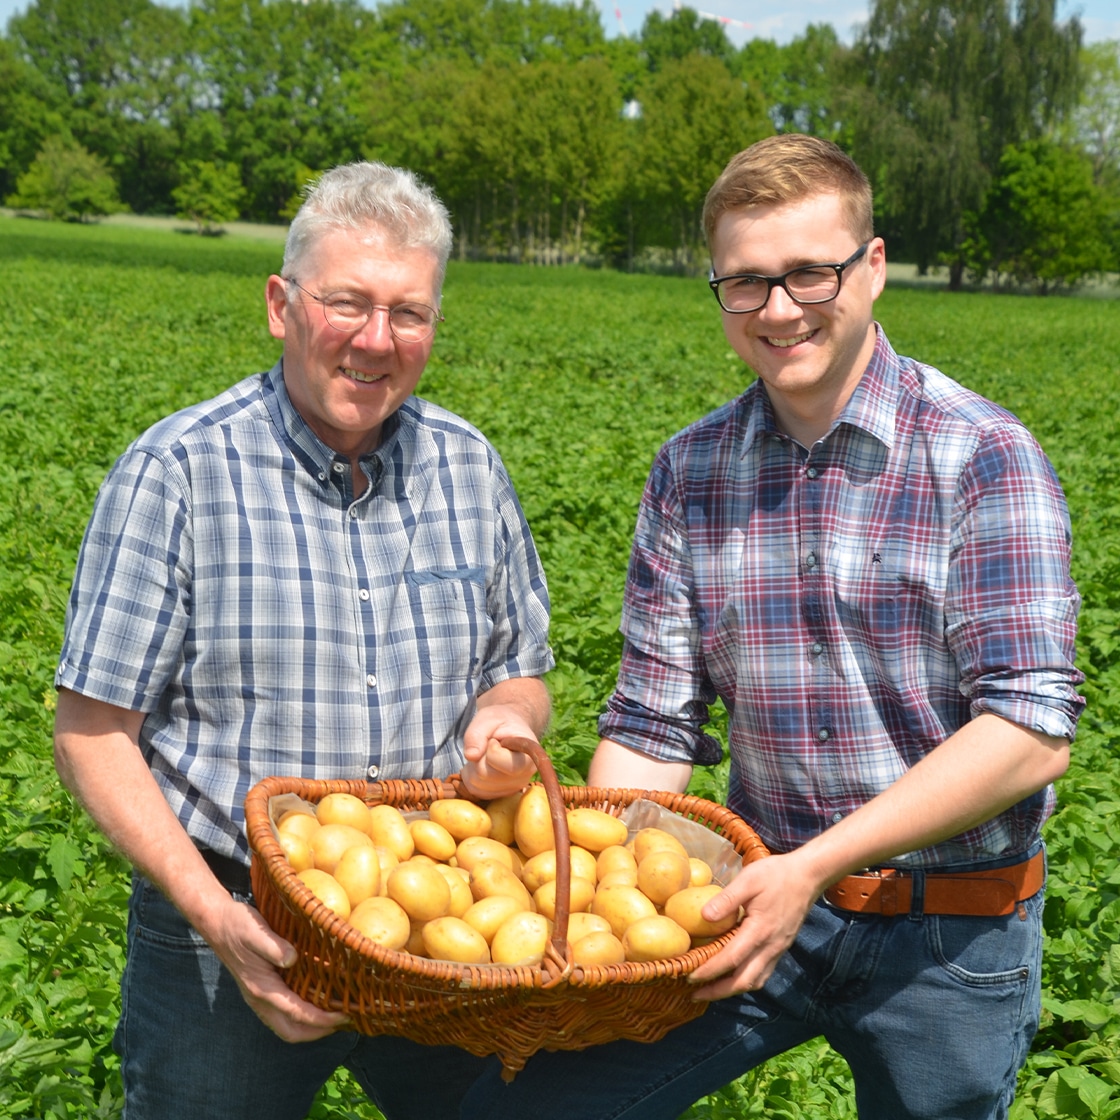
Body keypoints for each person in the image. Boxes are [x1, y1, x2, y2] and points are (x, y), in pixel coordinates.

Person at [458, 134, 1084, 1120]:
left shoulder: (983, 457)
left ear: (871, 269)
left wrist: (816, 867)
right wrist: (578, 881)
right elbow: (653, 727)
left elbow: (1028, 732)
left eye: (808, 273)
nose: (779, 309)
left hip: (949, 932)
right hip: (744, 910)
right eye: (746, 283)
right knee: (530, 1107)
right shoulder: (689, 470)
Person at [53, 161, 554, 1120]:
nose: (377, 340)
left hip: (442, 917)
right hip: (230, 920)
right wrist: (215, 913)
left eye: (409, 312)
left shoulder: (470, 467)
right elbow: (91, 730)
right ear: (283, 305)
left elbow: (519, 668)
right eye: (349, 303)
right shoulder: (180, 471)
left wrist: (506, 712)